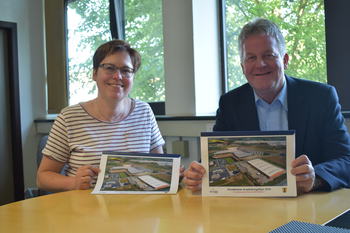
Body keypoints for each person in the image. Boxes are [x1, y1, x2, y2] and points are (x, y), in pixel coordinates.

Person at [184, 18, 350, 194]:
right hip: (251, 209)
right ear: (243, 67)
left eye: (268, 55)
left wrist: (315, 178)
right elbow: (213, 162)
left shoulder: (320, 97)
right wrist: (198, 175)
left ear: (285, 60)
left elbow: (345, 160)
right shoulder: (230, 103)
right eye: (251, 58)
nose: (260, 64)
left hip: (308, 205)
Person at [37, 40, 165, 192]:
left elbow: (161, 169)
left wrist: (183, 175)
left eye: (126, 70)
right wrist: (73, 183)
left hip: (135, 209)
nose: (118, 76)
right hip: (85, 210)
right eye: (109, 68)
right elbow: (42, 177)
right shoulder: (69, 117)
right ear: (94, 73)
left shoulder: (144, 112)